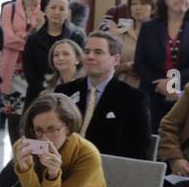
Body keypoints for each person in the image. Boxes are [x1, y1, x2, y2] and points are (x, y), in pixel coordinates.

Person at [54, 32, 152, 161]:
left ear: (115, 59)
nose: (90, 56)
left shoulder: (133, 99)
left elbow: (138, 150)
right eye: (87, 51)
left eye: (98, 52)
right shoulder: (64, 92)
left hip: (107, 170)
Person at [135, 0, 189, 127]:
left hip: (187, 92)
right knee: (149, 139)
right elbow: (140, 62)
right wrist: (161, 84)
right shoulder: (149, 27)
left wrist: (172, 83)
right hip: (153, 91)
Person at [23, 0, 86, 107]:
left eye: (62, 9)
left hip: (71, 93)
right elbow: (28, 69)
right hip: (38, 94)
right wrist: (42, 91)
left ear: (68, 13)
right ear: (46, 10)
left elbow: (82, 66)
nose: (57, 12)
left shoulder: (77, 36)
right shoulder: (33, 38)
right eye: (53, 8)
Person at [0, 0, 47, 102]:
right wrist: (32, 36)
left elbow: (43, 43)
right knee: (11, 113)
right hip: (11, 68)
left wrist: (21, 36)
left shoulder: (45, 11)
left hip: (35, 68)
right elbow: (7, 39)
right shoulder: (9, 8)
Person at [114, 0, 156, 89]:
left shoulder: (161, 35)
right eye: (134, 4)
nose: (138, 8)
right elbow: (107, 66)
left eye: (143, 4)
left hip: (152, 88)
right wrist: (124, 67)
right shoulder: (119, 35)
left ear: (153, 8)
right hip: (124, 86)